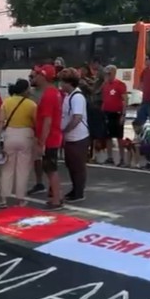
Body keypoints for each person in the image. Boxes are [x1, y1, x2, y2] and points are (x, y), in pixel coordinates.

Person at [0, 79, 37, 206]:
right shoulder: (32, 105)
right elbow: (36, 123)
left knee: (6, 168)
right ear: (25, 90)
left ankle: (4, 199)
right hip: (26, 135)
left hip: (9, 135)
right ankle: (20, 199)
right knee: (23, 169)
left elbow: (0, 122)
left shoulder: (7, 102)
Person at [31, 65, 65, 209]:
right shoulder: (54, 92)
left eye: (38, 74)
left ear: (43, 77)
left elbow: (47, 120)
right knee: (50, 168)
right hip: (53, 136)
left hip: (50, 138)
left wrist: (41, 142)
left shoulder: (49, 95)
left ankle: (56, 199)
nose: (35, 77)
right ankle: (57, 196)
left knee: (50, 168)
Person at [58, 68, 90, 203]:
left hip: (78, 137)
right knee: (71, 164)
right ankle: (75, 189)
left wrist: (65, 130)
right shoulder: (69, 96)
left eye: (62, 82)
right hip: (71, 137)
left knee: (77, 166)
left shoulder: (77, 97)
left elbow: (77, 117)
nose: (60, 84)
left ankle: (79, 192)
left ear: (69, 83)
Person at [99, 65, 128, 166]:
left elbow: (125, 100)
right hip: (107, 112)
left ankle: (122, 159)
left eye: (109, 74)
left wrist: (123, 115)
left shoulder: (120, 85)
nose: (108, 76)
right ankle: (109, 158)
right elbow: (103, 98)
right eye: (106, 74)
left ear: (114, 73)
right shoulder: (105, 85)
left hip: (117, 113)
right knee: (108, 136)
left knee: (119, 137)